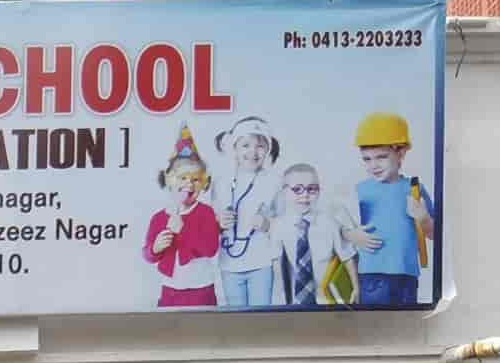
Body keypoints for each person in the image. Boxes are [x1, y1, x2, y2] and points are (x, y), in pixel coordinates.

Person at [351, 112, 434, 307]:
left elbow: (433, 234)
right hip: (371, 274)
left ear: (401, 153)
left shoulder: (415, 188)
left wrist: (423, 219)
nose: (373, 165)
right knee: (375, 323)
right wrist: (352, 235)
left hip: (407, 275)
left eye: (381, 157)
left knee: (405, 322)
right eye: (367, 159)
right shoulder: (359, 190)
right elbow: (338, 230)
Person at [142, 127, 220, 308]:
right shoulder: (159, 218)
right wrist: (155, 248)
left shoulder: (206, 212)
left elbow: (210, 249)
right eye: (182, 178)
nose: (189, 184)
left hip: (201, 289)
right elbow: (148, 254)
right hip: (170, 289)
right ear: (169, 181)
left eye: (195, 179)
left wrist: (183, 230)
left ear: (203, 183)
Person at [212, 116, 282, 309]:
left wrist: (268, 224)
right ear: (234, 148)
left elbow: (285, 222)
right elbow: (207, 222)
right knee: (235, 317)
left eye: (260, 146)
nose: (253, 152)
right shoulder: (220, 182)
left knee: (260, 315)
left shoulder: (274, 182)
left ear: (268, 149)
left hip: (261, 262)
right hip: (229, 262)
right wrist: (219, 223)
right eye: (245, 145)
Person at [274, 164, 358, 308]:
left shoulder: (330, 223)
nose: (305, 195)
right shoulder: (279, 226)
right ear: (284, 192)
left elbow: (347, 256)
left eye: (311, 189)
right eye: (297, 189)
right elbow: (278, 266)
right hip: (295, 301)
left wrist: (356, 287)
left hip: (327, 300)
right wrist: (281, 299)